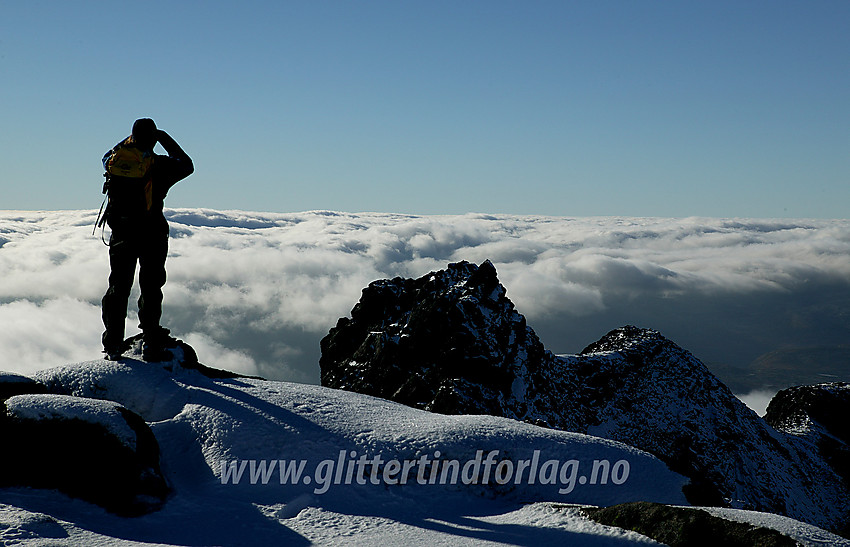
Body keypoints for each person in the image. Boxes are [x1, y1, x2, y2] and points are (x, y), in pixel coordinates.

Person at [100, 118, 194, 360]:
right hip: (152, 233)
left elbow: (106, 155)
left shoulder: (115, 163)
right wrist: (164, 137)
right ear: (153, 140)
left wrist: (129, 142)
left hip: (121, 233)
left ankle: (112, 342)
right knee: (151, 286)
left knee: (118, 286)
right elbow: (187, 165)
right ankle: (151, 339)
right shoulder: (159, 165)